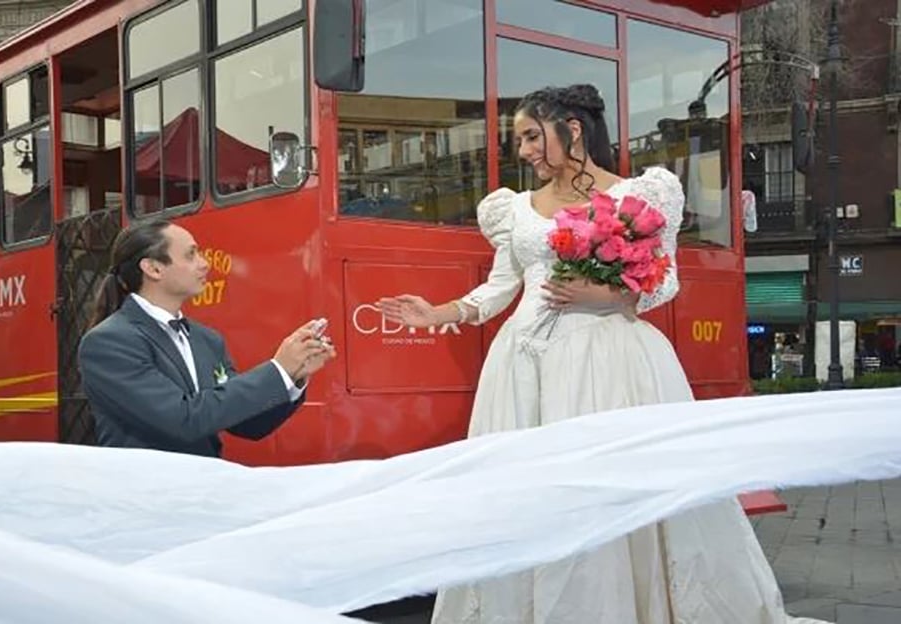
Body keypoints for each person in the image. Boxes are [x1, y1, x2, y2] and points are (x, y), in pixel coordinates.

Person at [378, 85, 823, 624]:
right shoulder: (513, 209)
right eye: (518, 140)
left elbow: (665, 281)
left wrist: (607, 295)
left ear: (572, 130)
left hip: (606, 363)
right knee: (527, 494)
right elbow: (499, 288)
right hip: (521, 366)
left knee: (601, 492)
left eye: (531, 136)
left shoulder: (642, 195)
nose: (523, 151)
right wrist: (438, 313)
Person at [78, 218, 334, 458]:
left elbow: (248, 425)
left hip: (204, 493)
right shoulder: (108, 343)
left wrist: (294, 375)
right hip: (146, 497)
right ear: (153, 268)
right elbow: (182, 420)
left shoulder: (207, 339)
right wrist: (277, 369)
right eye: (191, 255)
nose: (204, 263)